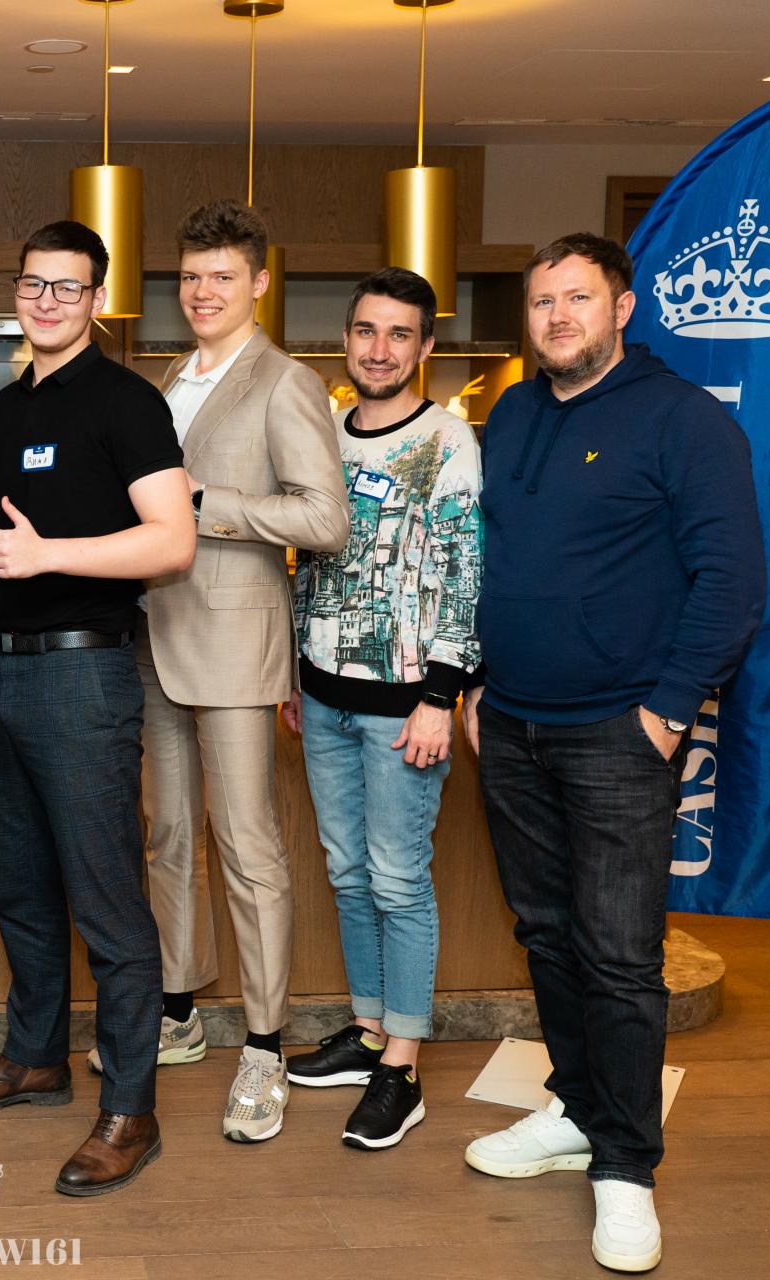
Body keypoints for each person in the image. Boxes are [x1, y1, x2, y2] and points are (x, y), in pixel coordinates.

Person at [460, 233, 764, 1274]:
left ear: (622, 307)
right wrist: (478, 683)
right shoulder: (512, 412)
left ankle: (627, 1166)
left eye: (577, 298)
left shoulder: (685, 420)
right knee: (546, 936)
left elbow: (734, 578)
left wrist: (669, 710)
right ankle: (578, 1109)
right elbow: (497, 558)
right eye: (542, 301)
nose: (557, 317)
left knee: (621, 955)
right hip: (512, 725)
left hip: (618, 733)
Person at [0, 220, 196, 1197]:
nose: (47, 302)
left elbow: (172, 541)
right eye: (33, 285)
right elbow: (2, 531)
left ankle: (130, 1108)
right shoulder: (0, 409)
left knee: (107, 901)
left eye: (67, 288)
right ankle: (36, 1055)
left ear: (98, 300)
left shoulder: (128, 402)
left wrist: (49, 556)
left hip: (83, 675)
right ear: (17, 292)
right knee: (22, 886)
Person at [133, 199, 349, 1144]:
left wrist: (206, 501)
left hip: (233, 644)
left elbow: (324, 520)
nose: (202, 292)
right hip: (151, 634)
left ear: (260, 282)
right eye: (190, 276)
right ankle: (180, 1009)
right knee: (168, 835)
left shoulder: (286, 382)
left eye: (222, 276)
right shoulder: (164, 379)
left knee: (249, 850)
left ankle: (264, 1046)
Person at [282, 267, 482, 1153]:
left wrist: (441, 694)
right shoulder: (324, 434)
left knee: (399, 878)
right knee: (348, 872)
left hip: (405, 708)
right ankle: (368, 1033)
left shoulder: (447, 440)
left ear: (426, 346)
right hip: (321, 694)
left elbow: (464, 574)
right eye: (366, 330)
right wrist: (295, 668)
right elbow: (308, 562)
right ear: (346, 339)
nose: (379, 349)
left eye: (400, 334)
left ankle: (402, 1064)